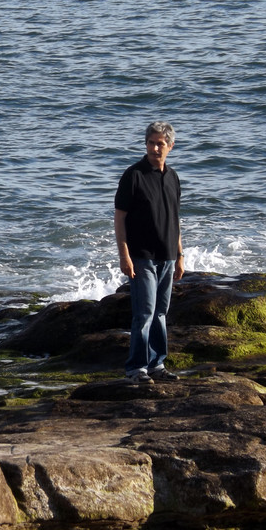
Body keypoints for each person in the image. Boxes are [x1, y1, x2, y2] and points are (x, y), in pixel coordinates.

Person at [114, 121, 185, 384]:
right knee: (144, 312)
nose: (156, 148)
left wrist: (180, 255)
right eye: (151, 143)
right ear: (145, 144)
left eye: (161, 143)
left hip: (167, 256)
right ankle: (136, 368)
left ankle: (157, 364)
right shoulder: (134, 175)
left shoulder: (173, 177)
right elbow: (119, 218)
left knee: (161, 313)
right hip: (141, 256)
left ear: (171, 146)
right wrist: (124, 255)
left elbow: (176, 220)